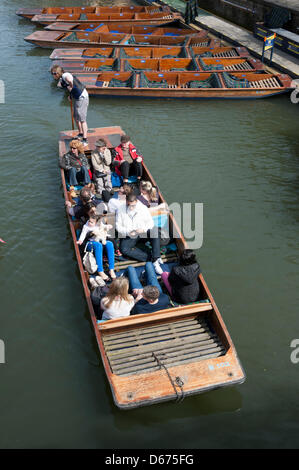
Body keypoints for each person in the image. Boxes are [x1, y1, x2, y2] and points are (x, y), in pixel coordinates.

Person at [116, 193, 163, 274]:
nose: (131, 207)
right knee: (124, 249)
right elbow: (118, 227)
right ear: (126, 202)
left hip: (142, 232)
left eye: (133, 205)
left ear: (136, 202)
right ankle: (151, 258)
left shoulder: (142, 208)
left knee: (154, 230)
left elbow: (150, 223)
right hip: (130, 234)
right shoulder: (120, 209)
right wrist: (128, 232)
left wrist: (143, 229)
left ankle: (156, 258)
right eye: (129, 205)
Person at [51, 65, 89, 146]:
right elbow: (69, 87)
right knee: (75, 117)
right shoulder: (61, 79)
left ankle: (85, 140)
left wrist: (71, 85)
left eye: (53, 74)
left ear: (56, 73)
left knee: (82, 119)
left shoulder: (65, 75)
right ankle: (80, 133)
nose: (52, 76)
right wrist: (70, 95)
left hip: (82, 97)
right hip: (76, 97)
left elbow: (70, 79)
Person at [77, 214, 116, 280]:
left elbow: (105, 227)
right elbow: (83, 234)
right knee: (98, 245)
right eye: (89, 221)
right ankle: (100, 270)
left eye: (91, 222)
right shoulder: (86, 226)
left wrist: (109, 226)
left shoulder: (99, 225)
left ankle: (111, 269)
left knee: (109, 244)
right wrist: (80, 240)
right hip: (90, 242)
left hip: (99, 240)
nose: (89, 222)